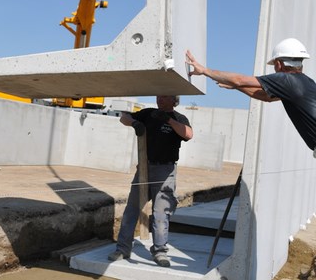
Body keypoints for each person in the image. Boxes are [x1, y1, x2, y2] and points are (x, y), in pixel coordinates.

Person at [186, 37, 316, 155]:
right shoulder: (306, 83)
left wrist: (204, 71)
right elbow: (266, 97)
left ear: (278, 64)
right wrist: (237, 87)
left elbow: (240, 79)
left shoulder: (285, 79)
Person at [107, 95, 193, 267]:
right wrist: (134, 123)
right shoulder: (148, 114)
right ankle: (123, 249)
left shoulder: (179, 118)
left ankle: (160, 252)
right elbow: (124, 116)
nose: (160, 99)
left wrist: (169, 120)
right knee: (132, 209)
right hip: (144, 169)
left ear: (174, 100)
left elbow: (188, 134)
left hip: (165, 171)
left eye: (165, 97)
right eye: (158, 96)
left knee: (161, 214)